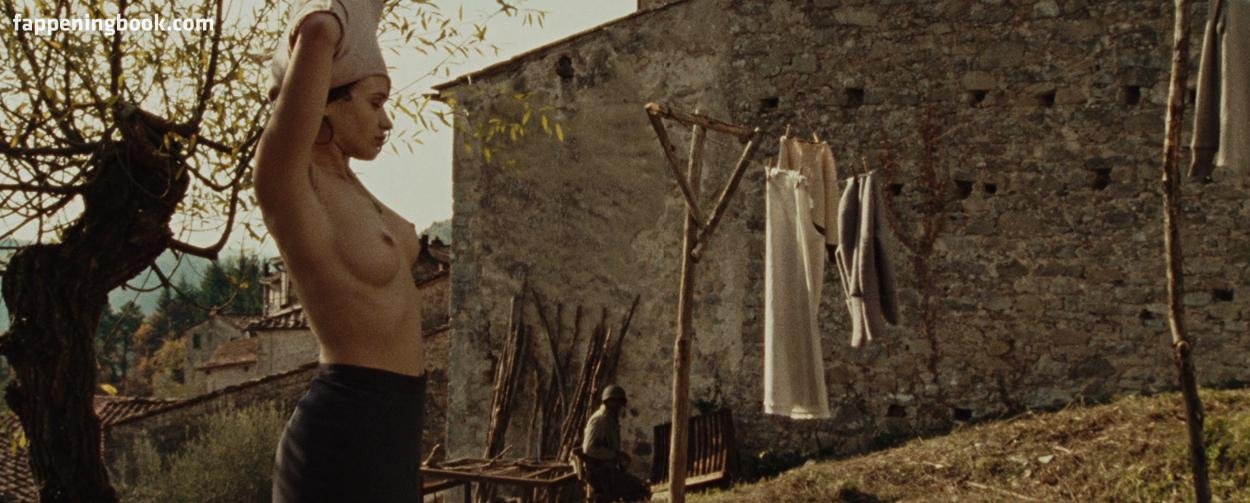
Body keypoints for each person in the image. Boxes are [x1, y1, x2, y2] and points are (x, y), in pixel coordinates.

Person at [255, 1, 426, 501]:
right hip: (343, 434)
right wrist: (334, 22)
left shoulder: (349, 185)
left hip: (394, 433)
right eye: (375, 102)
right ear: (325, 101)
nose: (387, 121)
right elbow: (318, 28)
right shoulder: (291, 184)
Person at [582, 385, 652, 502]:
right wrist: (615, 455)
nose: (619, 406)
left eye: (620, 403)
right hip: (598, 473)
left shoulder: (611, 420)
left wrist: (619, 456)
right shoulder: (599, 420)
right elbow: (589, 449)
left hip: (608, 471)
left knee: (640, 487)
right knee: (639, 489)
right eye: (616, 402)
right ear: (608, 402)